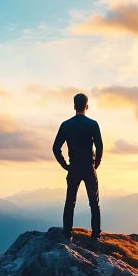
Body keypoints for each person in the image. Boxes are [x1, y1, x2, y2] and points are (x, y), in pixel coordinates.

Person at [52, 93, 103, 242]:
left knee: (70, 202)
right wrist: (96, 163)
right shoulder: (93, 124)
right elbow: (99, 146)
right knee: (94, 203)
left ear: (74, 106)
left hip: (73, 167)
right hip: (88, 167)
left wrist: (65, 165)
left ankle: (67, 234)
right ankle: (96, 235)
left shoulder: (66, 125)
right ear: (87, 106)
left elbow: (56, 147)